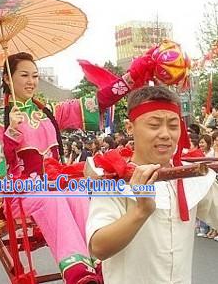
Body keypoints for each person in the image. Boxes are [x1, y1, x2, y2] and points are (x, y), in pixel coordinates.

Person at [0, 52, 117, 284]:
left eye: (35, 75)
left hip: (55, 187)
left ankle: (99, 261)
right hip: (21, 194)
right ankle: (77, 271)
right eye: (24, 75)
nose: (32, 81)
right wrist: (10, 133)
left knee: (77, 192)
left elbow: (88, 106)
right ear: (7, 79)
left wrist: (130, 80)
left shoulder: (48, 112)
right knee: (51, 196)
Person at [87, 86, 218, 284]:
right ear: (130, 127)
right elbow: (98, 248)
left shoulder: (192, 176)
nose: (166, 134)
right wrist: (141, 211)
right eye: (154, 125)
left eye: (173, 126)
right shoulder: (113, 179)